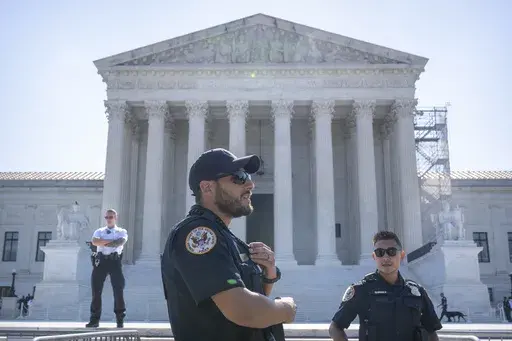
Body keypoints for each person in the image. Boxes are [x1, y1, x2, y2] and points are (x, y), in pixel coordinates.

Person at [160, 148, 297, 341]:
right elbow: (243, 310)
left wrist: (268, 276)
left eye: (248, 176)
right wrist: (286, 309)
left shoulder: (227, 238)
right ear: (207, 187)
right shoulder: (198, 235)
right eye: (239, 177)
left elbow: (239, 295)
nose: (250, 184)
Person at [329, 231, 442, 341]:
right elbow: (335, 327)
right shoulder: (361, 290)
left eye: (391, 251)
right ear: (374, 257)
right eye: (380, 252)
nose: (386, 258)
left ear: (401, 255)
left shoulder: (417, 293)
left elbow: (431, 331)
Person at [86, 209, 128, 328]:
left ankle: (120, 320)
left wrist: (103, 242)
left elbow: (120, 242)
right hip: (101, 262)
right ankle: (94, 320)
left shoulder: (122, 231)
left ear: (116, 218)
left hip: (115, 262)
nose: (109, 219)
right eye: (107, 217)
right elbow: (94, 242)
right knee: (96, 291)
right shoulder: (99, 231)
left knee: (118, 291)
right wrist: (111, 242)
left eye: (111, 217)